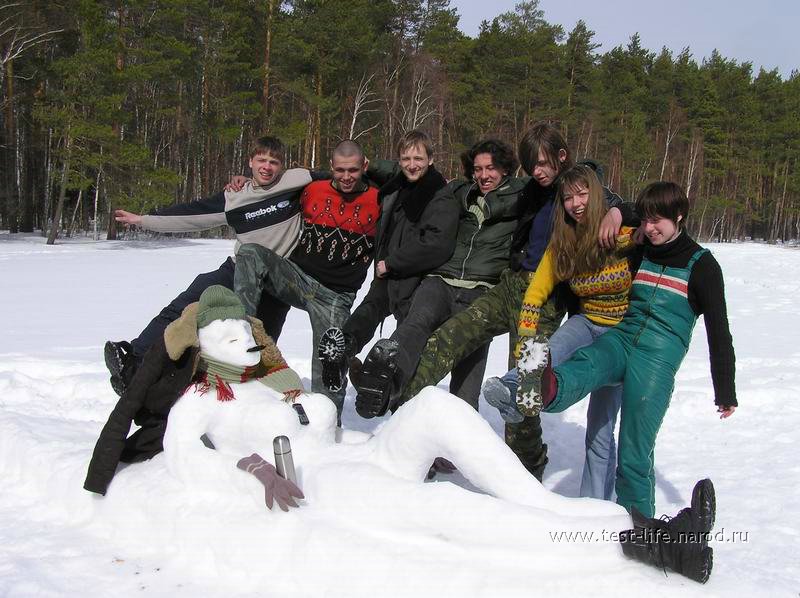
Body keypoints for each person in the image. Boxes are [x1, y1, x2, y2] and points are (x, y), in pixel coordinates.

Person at [394, 122, 632, 480]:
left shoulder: (579, 192)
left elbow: (622, 203)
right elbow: (489, 186)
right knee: (448, 338)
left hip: (547, 299)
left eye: (544, 163)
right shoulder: (531, 190)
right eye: (531, 164)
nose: (537, 171)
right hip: (510, 285)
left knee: (521, 387)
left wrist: (618, 212)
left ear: (562, 158)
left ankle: (526, 468)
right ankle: (403, 424)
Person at [535, 181, 736, 517]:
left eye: (657, 221)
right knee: (592, 359)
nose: (649, 228)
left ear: (680, 216)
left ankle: (638, 523)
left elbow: (719, 332)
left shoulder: (702, 266)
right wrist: (618, 212)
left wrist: (725, 390)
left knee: (634, 447)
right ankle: (547, 387)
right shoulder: (642, 247)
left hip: (658, 358)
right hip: (625, 336)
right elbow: (625, 211)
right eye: (645, 220)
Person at [104, 136, 312, 396]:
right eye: (261, 160)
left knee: (260, 346)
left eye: (274, 162)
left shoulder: (297, 183)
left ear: (282, 166)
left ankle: (252, 397)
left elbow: (341, 175)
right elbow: (192, 215)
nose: (267, 167)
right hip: (236, 271)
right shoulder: (235, 197)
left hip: (277, 283)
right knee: (183, 308)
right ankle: (133, 364)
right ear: (250, 162)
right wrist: (144, 220)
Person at [483, 164, 636, 500]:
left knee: (599, 430)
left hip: (621, 335)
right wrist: (526, 329)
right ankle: (512, 391)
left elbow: (653, 225)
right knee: (550, 348)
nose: (576, 203)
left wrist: (616, 212)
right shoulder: (564, 241)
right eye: (568, 197)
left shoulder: (620, 230)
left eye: (582, 194)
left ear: (596, 194)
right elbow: (538, 288)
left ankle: (594, 505)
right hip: (587, 321)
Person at [352, 139, 526, 420]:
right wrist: (370, 166)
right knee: (417, 322)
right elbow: (418, 175)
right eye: (478, 169)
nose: (483, 175)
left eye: (491, 169)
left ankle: (452, 445)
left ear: (505, 169)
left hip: (483, 290)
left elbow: (557, 185)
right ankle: (386, 377)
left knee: (468, 374)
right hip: (441, 281)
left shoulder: (522, 194)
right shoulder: (459, 191)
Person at [233, 140, 380, 417]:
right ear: (331, 168)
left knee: (330, 364)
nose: (346, 177)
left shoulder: (379, 197)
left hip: (335, 297)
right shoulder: (312, 190)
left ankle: (326, 428)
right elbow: (272, 193)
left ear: (365, 166)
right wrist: (245, 184)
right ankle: (240, 335)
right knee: (251, 253)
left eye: (352, 170)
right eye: (340, 170)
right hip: (297, 278)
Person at [316, 130, 452, 393]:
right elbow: (349, 172)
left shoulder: (439, 194)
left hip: (416, 277)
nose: (412, 164)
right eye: (406, 158)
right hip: (388, 273)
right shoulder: (398, 184)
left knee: (407, 337)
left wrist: (392, 263)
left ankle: (387, 386)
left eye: (418, 158)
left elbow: (437, 244)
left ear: (431, 159)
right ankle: (342, 351)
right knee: (368, 311)